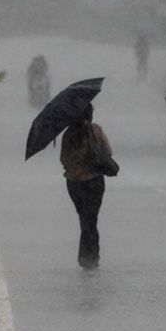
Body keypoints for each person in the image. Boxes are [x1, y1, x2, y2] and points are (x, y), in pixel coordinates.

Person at [60, 103, 112, 269]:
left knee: (84, 218)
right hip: (94, 180)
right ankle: (91, 257)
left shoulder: (68, 135)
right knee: (91, 219)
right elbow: (108, 153)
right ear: (90, 114)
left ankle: (87, 257)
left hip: (74, 183)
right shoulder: (96, 130)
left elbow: (64, 160)